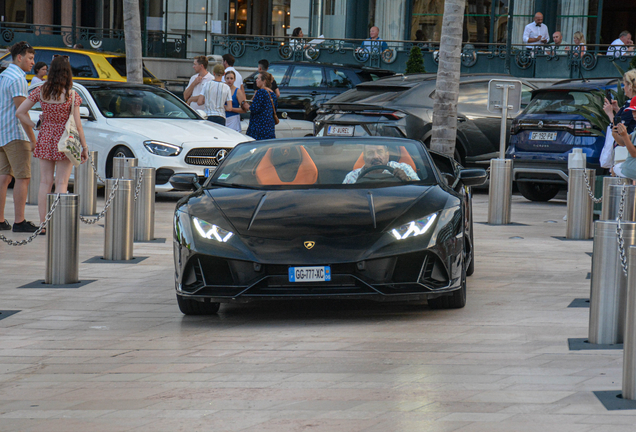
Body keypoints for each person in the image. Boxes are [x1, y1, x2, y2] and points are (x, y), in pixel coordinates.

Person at [15, 56, 89, 233]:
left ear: (51, 71)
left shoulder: (41, 90)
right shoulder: (72, 95)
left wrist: (36, 125)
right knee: (61, 182)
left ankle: (43, 223)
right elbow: (78, 125)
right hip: (66, 140)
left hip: (46, 136)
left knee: (45, 182)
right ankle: (59, 222)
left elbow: (20, 112)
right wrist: (84, 147)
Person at [0, 41, 38, 233]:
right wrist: (32, 139)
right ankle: (19, 220)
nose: (33, 62)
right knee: (23, 177)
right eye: (30, 58)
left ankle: (0, 219)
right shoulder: (18, 79)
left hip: (2, 133)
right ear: (20, 57)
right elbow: (21, 112)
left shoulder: (4, 75)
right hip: (15, 134)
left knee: (4, 177)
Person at [342, 144, 419, 184]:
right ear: (364, 158)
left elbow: (421, 190)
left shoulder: (404, 168)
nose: (375, 156)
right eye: (370, 153)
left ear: (387, 155)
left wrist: (406, 180)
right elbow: (343, 197)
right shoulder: (352, 177)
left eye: (380, 152)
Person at [244, 72, 277, 140]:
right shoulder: (272, 94)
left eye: (258, 78)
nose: (256, 80)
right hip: (269, 126)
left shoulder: (261, 92)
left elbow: (254, 109)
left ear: (264, 81)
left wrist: (246, 106)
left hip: (259, 127)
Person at [603, 69, 636, 134]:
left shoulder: (631, 103)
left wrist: (610, 113)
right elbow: (628, 118)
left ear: (630, 86)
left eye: (624, 85)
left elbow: (618, 128)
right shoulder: (630, 103)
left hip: (627, 141)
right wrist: (617, 109)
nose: (624, 88)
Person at [611, 97, 636, 179]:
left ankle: (622, 192)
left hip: (632, 169)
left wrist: (624, 135)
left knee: (615, 168)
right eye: (632, 111)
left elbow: (634, 153)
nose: (633, 114)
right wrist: (615, 134)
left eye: (635, 111)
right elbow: (623, 142)